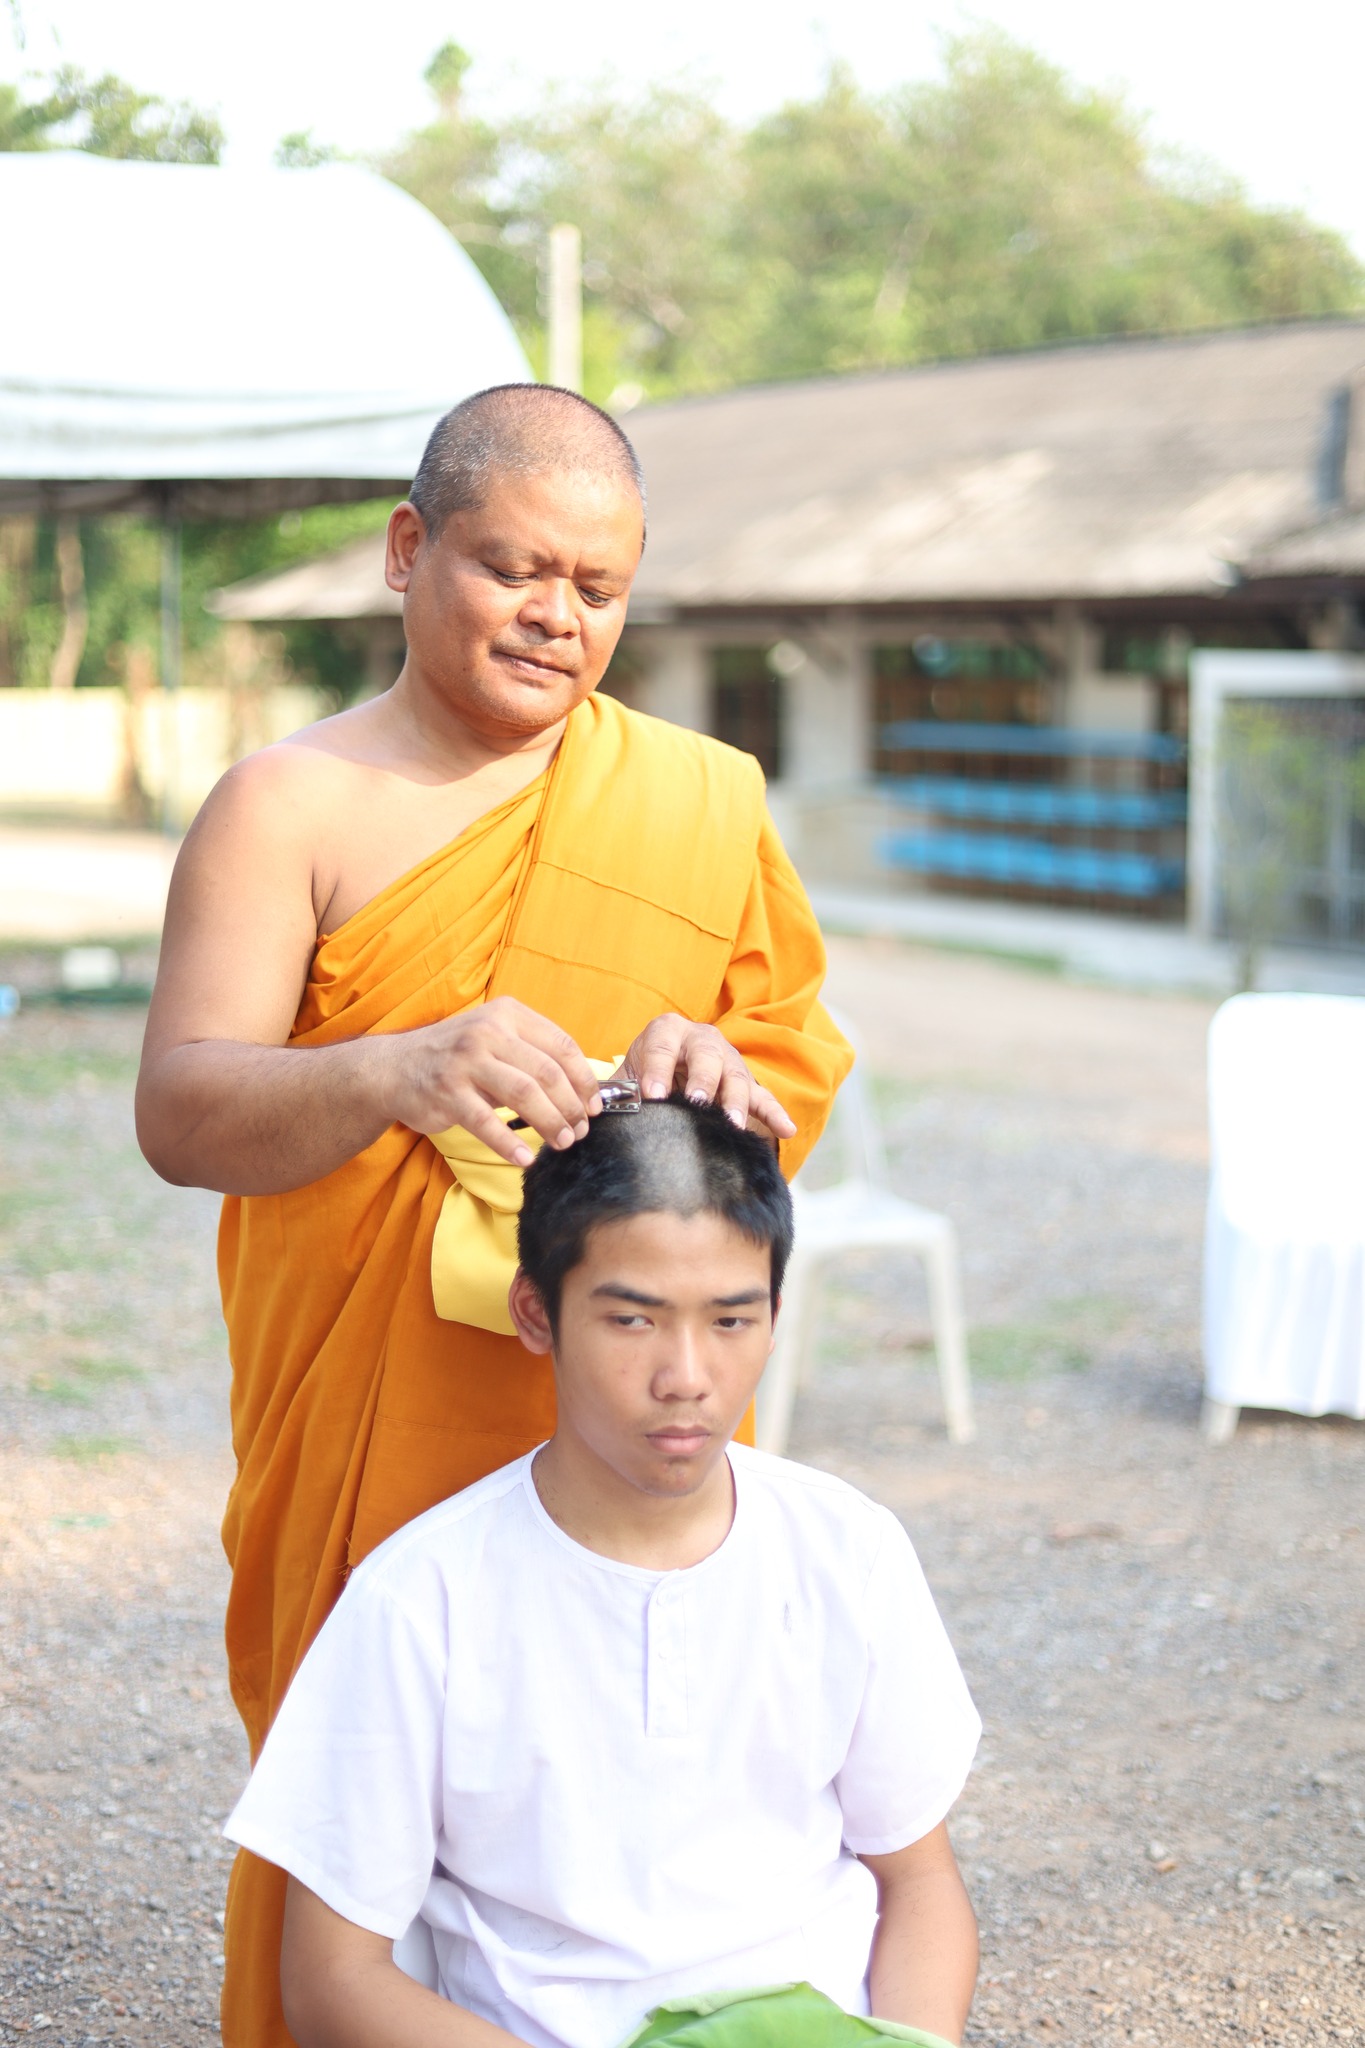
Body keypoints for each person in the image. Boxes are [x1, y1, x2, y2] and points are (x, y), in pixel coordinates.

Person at [134, 383, 852, 2045]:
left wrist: (712, 1065)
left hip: (606, 1406)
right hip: (375, 1413)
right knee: (375, 1791)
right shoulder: (286, 806)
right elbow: (184, 1109)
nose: (557, 614)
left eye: (597, 587)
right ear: (409, 551)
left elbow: (783, 1067)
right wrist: (395, 1067)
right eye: (513, 567)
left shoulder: (699, 798)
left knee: (607, 1788)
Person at [224, 1099, 982, 2048]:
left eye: (731, 1320)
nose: (687, 1376)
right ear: (536, 1312)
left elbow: (917, 1880)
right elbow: (333, 1982)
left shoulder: (846, 1550)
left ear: (776, 1316)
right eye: (632, 1319)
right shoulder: (423, 1595)